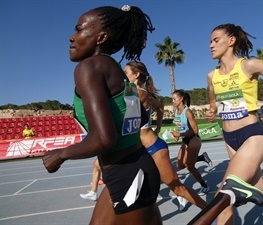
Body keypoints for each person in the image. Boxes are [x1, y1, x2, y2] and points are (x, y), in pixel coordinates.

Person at [42, 5, 163, 225]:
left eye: (79, 30)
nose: (72, 37)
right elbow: (139, 120)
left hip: (128, 176)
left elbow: (104, 139)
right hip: (134, 169)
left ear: (101, 37)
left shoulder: (89, 68)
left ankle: (224, 200)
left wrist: (60, 155)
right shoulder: (116, 71)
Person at [188, 23, 263, 225]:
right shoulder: (212, 75)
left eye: (216, 40)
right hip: (230, 139)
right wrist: (213, 110)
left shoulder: (248, 65)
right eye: (210, 42)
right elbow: (214, 101)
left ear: (231, 41)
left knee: (221, 200)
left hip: (251, 136)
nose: (211, 45)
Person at [80, 61, 210, 212]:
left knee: (177, 188)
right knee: (121, 189)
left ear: (136, 75)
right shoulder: (135, 92)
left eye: (126, 73)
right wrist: (157, 126)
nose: (122, 75)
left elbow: (125, 121)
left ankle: (210, 211)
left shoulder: (137, 92)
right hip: (137, 150)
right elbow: (160, 106)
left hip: (153, 148)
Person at [170, 90, 211, 196]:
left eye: (174, 99)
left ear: (181, 99)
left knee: (190, 166)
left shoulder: (187, 112)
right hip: (185, 139)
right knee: (180, 165)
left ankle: (205, 186)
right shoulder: (176, 111)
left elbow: (195, 130)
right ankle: (202, 157)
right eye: (172, 99)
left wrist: (179, 134)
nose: (172, 101)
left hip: (193, 139)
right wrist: (175, 135)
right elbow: (180, 127)